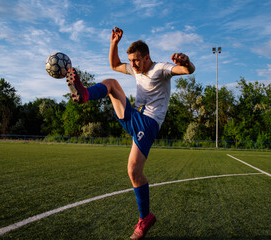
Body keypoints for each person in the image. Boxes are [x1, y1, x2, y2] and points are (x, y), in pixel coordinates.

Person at [66, 27, 195, 239]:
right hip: (135, 117)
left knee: (133, 171)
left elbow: (187, 71)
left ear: (147, 57)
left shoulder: (160, 69)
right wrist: (113, 43)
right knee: (112, 83)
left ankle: (145, 218)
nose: (133, 65)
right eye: (131, 60)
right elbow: (115, 64)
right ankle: (84, 94)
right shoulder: (136, 69)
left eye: (136, 60)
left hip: (148, 123)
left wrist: (186, 62)